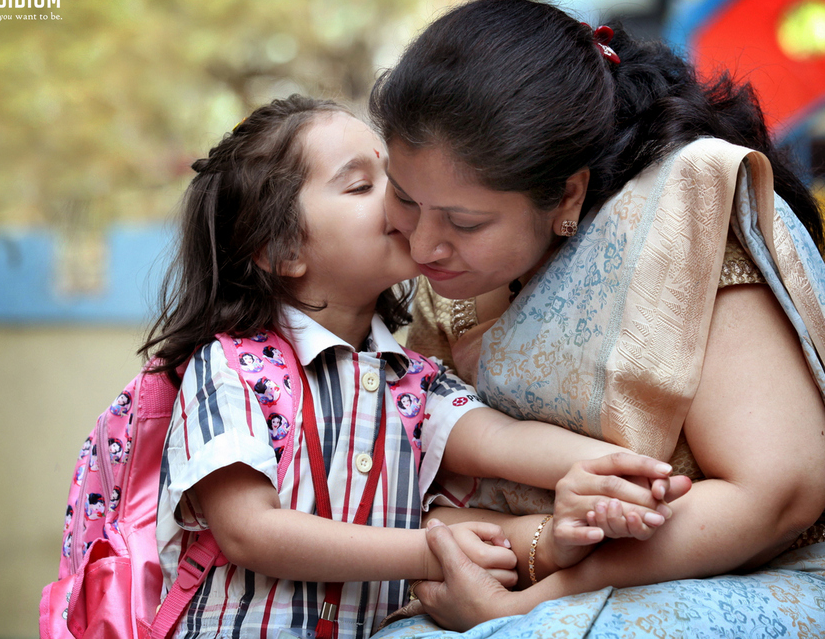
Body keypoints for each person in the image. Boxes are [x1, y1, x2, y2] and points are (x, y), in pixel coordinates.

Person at [367, 0, 825, 639]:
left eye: (464, 223)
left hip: (763, 578)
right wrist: (536, 549)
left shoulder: (676, 228)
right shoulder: (454, 282)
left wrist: (530, 605)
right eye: (405, 199)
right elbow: (418, 498)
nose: (421, 247)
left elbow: (777, 494)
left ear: (568, 195)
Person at [138, 95, 687, 639]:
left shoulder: (412, 382)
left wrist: (626, 474)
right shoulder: (229, 365)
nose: (400, 198)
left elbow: (504, 440)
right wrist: (427, 552)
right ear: (282, 251)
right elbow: (250, 532)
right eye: (361, 185)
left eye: (393, 175)